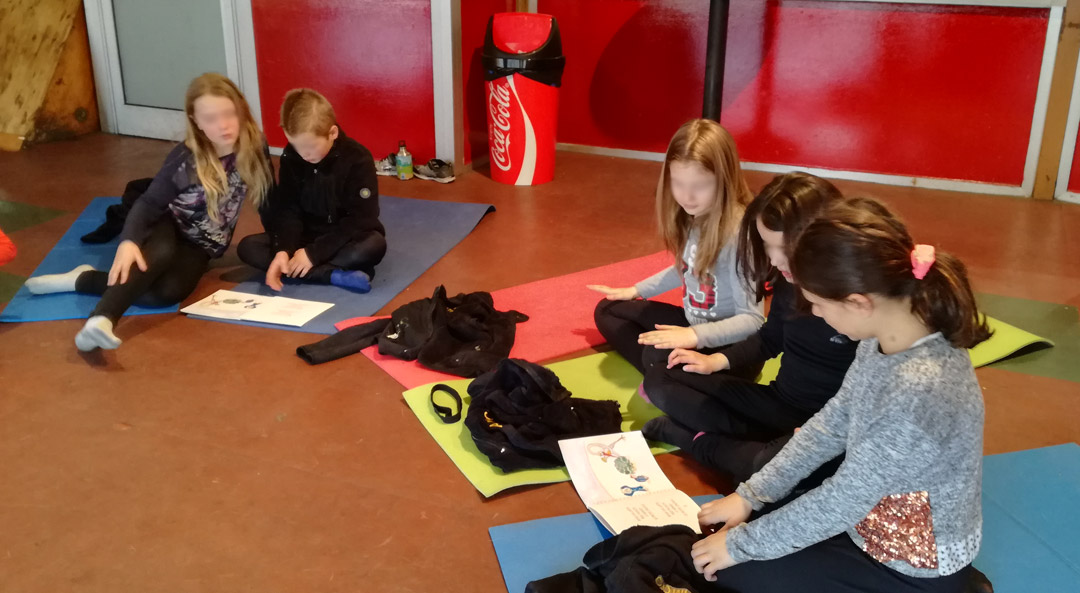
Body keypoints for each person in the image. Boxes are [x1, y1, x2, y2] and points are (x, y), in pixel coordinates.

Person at [690, 197, 992, 593]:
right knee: (747, 529)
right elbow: (832, 423)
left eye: (817, 303)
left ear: (858, 303)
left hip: (910, 566)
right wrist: (751, 496)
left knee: (727, 568)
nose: (814, 314)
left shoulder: (917, 391)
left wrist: (740, 546)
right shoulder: (885, 334)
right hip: (868, 524)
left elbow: (843, 498)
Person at [26, 73, 273, 351]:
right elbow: (149, 203)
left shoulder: (254, 146)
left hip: (201, 243)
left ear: (240, 108)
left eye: (229, 114)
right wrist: (129, 240)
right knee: (162, 252)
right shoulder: (185, 160)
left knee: (165, 294)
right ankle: (102, 319)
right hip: (165, 220)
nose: (223, 125)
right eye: (211, 118)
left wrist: (281, 246)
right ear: (196, 121)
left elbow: (268, 198)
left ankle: (84, 278)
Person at [237, 88, 385, 293]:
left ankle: (308, 269)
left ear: (332, 133)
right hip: (304, 236)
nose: (303, 154)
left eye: (310, 147)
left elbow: (362, 219)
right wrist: (283, 250)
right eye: (295, 146)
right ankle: (332, 275)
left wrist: (312, 254)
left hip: (342, 238)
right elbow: (288, 209)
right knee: (248, 247)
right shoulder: (294, 156)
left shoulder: (358, 159)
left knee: (373, 246)